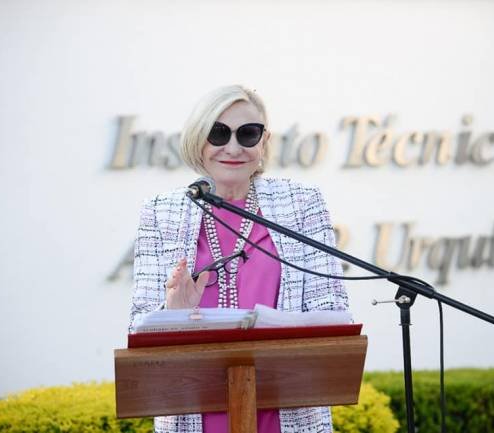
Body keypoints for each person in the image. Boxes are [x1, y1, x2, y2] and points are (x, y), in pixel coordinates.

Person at [129, 85, 349, 433]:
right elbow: (138, 329)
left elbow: (331, 310)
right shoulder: (161, 212)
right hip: (195, 415)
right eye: (218, 133)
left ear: (264, 142)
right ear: (198, 139)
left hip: (287, 413)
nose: (233, 148)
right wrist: (174, 314)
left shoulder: (302, 203)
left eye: (248, 134)